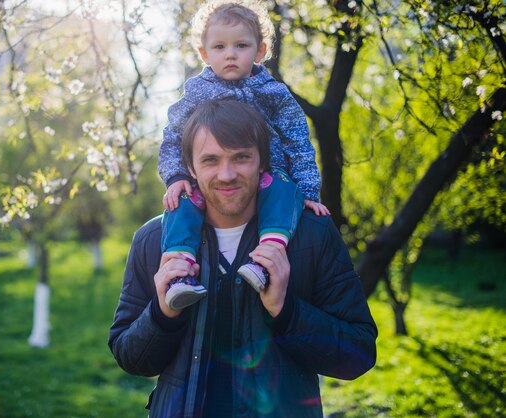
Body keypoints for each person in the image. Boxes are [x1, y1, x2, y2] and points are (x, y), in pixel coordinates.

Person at [109, 100, 377, 417]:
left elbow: (357, 354)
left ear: (262, 161)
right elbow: (130, 357)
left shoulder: (312, 235)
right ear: (190, 167)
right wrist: (162, 312)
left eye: (241, 158)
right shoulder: (154, 241)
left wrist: (286, 310)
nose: (226, 174)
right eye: (210, 160)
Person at [158, 0, 330, 311]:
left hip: (268, 176)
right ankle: (180, 273)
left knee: (282, 190)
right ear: (205, 54)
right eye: (220, 47)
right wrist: (176, 176)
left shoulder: (274, 93)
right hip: (206, 185)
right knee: (180, 205)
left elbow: (298, 142)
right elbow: (172, 136)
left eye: (241, 45)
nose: (231, 54)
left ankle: (266, 260)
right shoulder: (197, 92)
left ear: (260, 50)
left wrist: (307, 192)